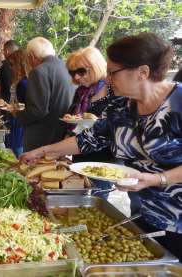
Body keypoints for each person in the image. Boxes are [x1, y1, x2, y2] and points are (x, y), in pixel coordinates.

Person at [21, 33, 182, 261]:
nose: (107, 79)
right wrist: (42, 151)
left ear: (142, 72)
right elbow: (87, 139)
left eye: (112, 73)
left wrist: (157, 179)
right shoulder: (120, 107)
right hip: (142, 213)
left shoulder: (179, 102)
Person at [65, 46, 117, 199]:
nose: (76, 78)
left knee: (95, 203)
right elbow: (73, 122)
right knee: (78, 203)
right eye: (72, 73)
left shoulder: (113, 91)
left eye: (81, 71)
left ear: (96, 66)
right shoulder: (80, 92)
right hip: (79, 156)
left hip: (103, 161)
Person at [13, 37, 74, 152]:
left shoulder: (38, 71)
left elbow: (37, 111)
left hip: (41, 137)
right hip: (62, 134)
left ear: (31, 56)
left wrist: (18, 114)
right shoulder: (67, 68)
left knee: (35, 169)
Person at [7, 49, 28, 157]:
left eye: (12, 64)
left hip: (19, 122)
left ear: (20, 64)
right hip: (15, 118)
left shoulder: (24, 83)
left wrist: (14, 110)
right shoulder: (20, 81)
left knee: (18, 154)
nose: (10, 67)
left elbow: (26, 106)